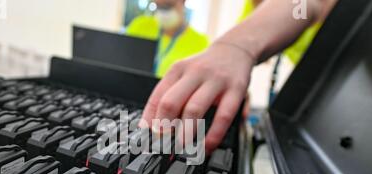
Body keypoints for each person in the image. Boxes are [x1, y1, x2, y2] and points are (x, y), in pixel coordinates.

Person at [139, 0, 337, 154]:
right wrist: (235, 86)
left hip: (331, 99)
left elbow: (306, 4)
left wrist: (235, 46)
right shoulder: (251, 5)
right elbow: (239, 60)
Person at [126, 0, 209, 78]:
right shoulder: (139, 26)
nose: (163, 11)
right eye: (158, 6)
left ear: (183, 2)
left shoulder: (201, 43)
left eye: (168, 5)